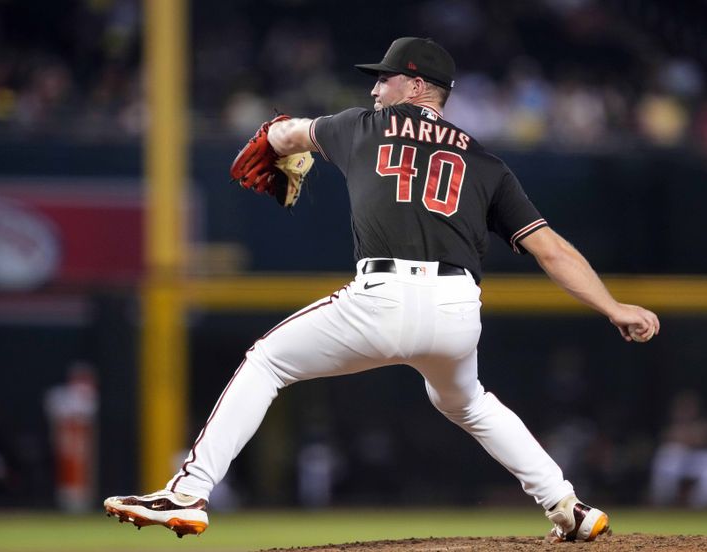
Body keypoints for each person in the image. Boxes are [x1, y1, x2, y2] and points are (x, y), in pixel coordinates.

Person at [104, 37, 660, 542]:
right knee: (466, 400)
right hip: (458, 310)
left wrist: (280, 144)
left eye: (385, 78)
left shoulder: (360, 126)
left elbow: (281, 134)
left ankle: (187, 493)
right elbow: (551, 249)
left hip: (382, 296)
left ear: (416, 86)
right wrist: (612, 306)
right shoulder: (487, 164)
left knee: (268, 361)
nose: (374, 88)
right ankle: (568, 506)